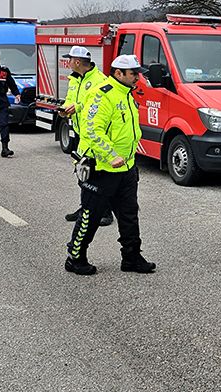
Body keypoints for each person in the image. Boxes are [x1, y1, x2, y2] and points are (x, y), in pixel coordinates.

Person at [64, 54, 156, 276]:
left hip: (126, 169)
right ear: (118, 73)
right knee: (91, 214)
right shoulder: (103, 95)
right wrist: (111, 154)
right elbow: (92, 130)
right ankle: (75, 257)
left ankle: (132, 257)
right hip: (101, 168)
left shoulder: (126, 94)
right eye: (134, 74)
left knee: (129, 214)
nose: (138, 78)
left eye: (138, 73)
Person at [59, 46, 112, 227]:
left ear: (78, 62)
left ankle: (105, 212)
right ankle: (85, 208)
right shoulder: (74, 78)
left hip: (94, 135)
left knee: (97, 174)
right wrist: (66, 110)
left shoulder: (99, 80)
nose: (68, 62)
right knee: (82, 171)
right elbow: (70, 98)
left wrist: (78, 107)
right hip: (80, 133)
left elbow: (98, 104)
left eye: (70, 59)